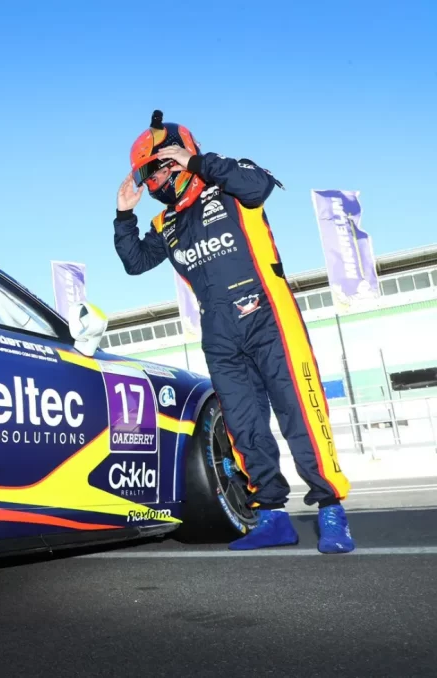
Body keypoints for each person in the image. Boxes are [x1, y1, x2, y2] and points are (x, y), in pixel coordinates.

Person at [111, 110, 356, 554]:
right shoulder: (165, 225)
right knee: (244, 429)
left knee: (299, 413)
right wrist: (123, 216)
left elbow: (260, 185)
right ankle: (272, 516)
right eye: (149, 174)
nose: (157, 179)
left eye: (160, 165)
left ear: (181, 154)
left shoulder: (230, 187)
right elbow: (134, 263)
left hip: (270, 319)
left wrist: (197, 161)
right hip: (220, 336)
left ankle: (331, 509)